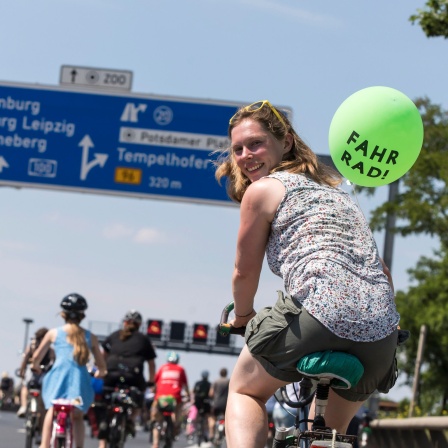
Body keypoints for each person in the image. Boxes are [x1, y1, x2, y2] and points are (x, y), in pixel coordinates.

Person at [214, 100, 400, 448]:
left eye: (255, 143)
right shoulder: (340, 196)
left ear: (285, 142)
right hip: (380, 334)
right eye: (238, 148)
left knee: (244, 391)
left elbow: (243, 271)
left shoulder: (263, 190)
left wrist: (243, 317)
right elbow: (382, 272)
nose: (245, 155)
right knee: (328, 434)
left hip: (316, 316)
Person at [31, 293, 107, 448]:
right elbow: (101, 365)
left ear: (63, 314)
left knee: (52, 410)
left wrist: (36, 366)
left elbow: (37, 356)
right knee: (78, 416)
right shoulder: (90, 337)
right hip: (79, 383)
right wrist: (101, 373)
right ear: (82, 315)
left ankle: (44, 445)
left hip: (56, 380)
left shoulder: (53, 333)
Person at [98, 309, 157, 446]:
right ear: (139, 325)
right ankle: (130, 420)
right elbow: (151, 363)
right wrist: (151, 381)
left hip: (111, 374)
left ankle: (102, 443)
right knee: (138, 399)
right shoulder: (143, 339)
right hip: (133, 376)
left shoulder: (114, 335)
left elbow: (102, 356)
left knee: (106, 407)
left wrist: (101, 370)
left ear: (125, 323)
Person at [151, 351, 189, 448]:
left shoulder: (162, 368)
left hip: (160, 397)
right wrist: (188, 395)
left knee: (156, 420)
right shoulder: (181, 369)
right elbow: (186, 385)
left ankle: (155, 443)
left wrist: (154, 392)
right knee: (177, 413)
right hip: (175, 397)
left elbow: (154, 382)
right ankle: (176, 426)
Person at [16, 327, 55, 419]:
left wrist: (22, 371)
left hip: (34, 371)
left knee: (25, 387)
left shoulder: (32, 346)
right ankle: (35, 412)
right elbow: (53, 361)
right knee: (40, 391)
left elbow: (25, 360)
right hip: (43, 372)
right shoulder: (49, 349)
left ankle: (24, 406)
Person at [208, 368, 229, 440]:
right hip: (226, 404)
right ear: (226, 373)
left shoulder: (216, 381)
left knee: (213, 418)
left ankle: (211, 434)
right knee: (226, 419)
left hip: (216, 403)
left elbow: (211, 393)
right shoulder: (228, 381)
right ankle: (225, 434)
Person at [193, 370, 211, 439]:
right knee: (206, 417)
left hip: (198, 402)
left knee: (197, 415)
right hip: (206, 402)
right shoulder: (209, 384)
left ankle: (194, 428)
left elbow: (194, 391)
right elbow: (211, 394)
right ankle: (206, 431)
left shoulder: (197, 383)